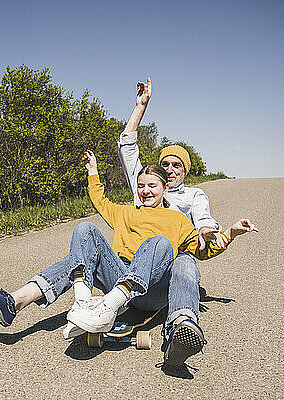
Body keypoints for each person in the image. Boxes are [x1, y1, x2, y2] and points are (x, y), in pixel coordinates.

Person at [0, 150, 257, 367]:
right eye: (141, 186)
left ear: (165, 188)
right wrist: (92, 171)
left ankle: (110, 306)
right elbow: (99, 202)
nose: (145, 191)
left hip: (151, 291)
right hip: (120, 278)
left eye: (152, 186)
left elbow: (203, 252)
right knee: (85, 230)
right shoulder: (127, 212)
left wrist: (230, 233)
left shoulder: (178, 220)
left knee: (159, 245)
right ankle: (24, 302)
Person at [117, 77, 229, 354]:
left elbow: (203, 218)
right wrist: (141, 106)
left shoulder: (193, 196)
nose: (169, 168)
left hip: (170, 270)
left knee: (185, 262)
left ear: (185, 170)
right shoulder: (145, 187)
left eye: (176, 165)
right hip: (138, 267)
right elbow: (127, 147)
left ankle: (182, 326)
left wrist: (205, 231)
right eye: (165, 163)